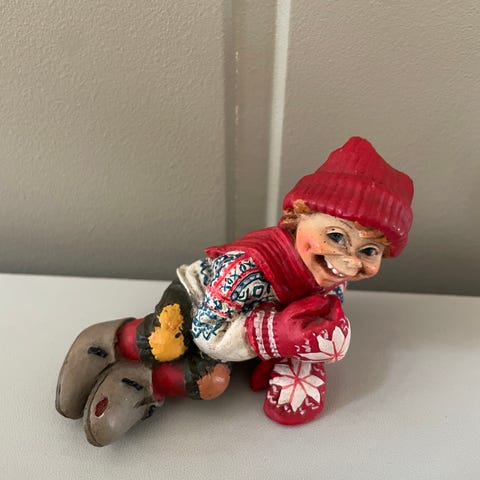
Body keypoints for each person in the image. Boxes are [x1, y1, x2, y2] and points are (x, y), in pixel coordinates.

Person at [56, 136, 414, 446]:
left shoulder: (329, 277)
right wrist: (275, 334)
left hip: (239, 331)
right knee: (167, 341)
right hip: (197, 302)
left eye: (369, 251)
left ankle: (141, 382)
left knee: (211, 381)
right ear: (298, 216)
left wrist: (311, 341)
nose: (349, 263)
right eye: (336, 236)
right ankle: (111, 342)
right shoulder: (247, 267)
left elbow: (313, 317)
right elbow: (207, 332)